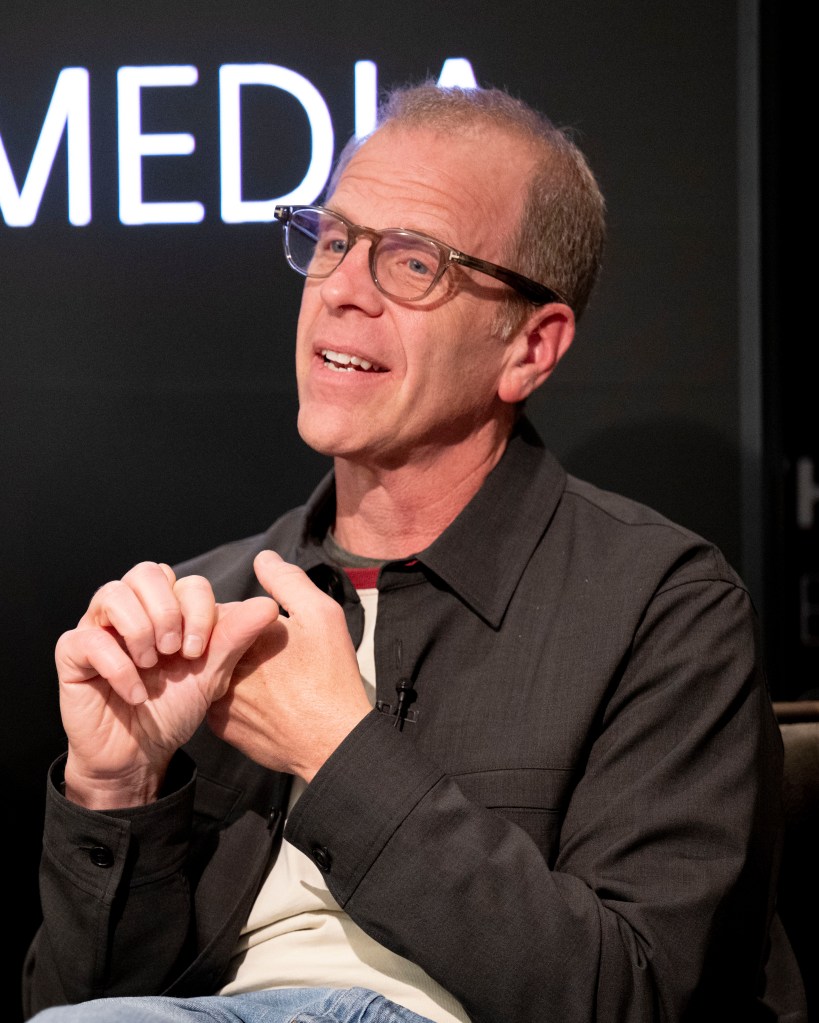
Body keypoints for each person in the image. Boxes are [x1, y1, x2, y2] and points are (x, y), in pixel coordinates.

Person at [22, 83, 805, 1023]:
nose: (342, 287)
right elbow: (73, 1003)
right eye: (334, 239)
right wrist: (114, 790)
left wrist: (337, 749)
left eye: (412, 262)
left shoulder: (662, 607)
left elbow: (638, 993)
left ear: (529, 346)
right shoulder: (209, 601)